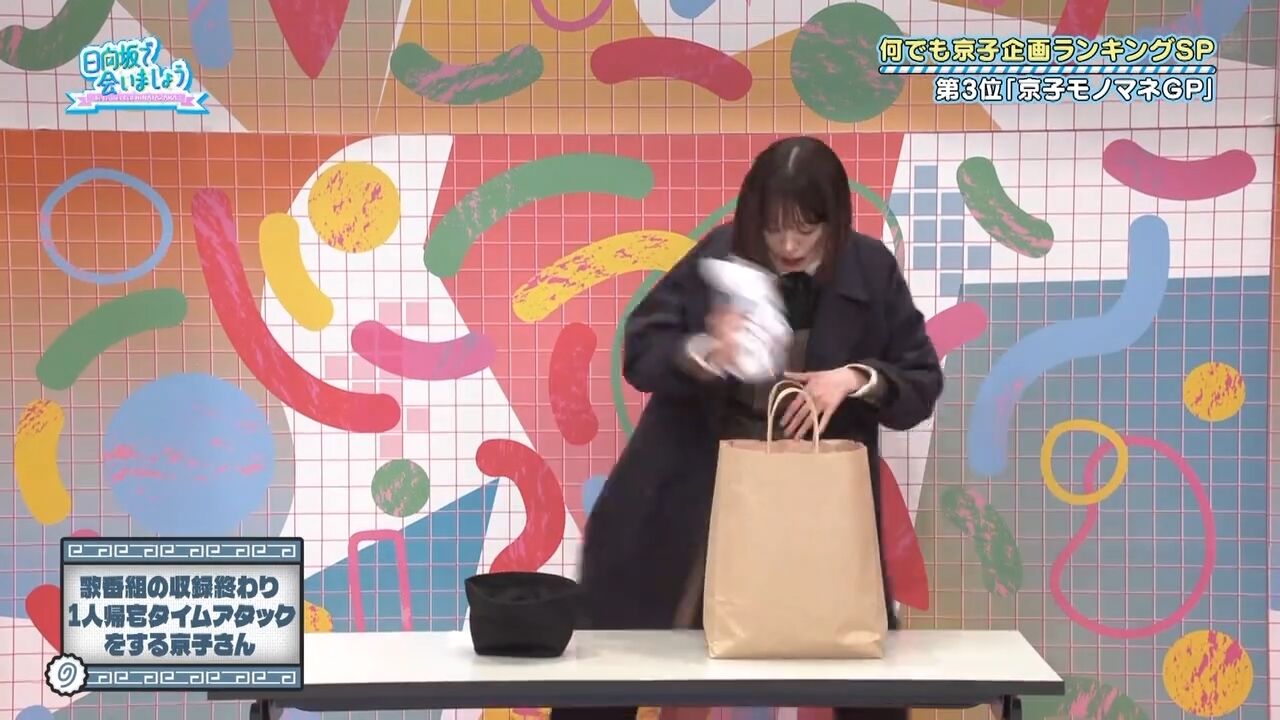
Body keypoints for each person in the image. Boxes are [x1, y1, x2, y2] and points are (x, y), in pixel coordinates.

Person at [553, 136, 944, 720]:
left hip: (815, 508)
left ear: (835, 220)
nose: (788, 246)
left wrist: (855, 378)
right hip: (693, 492)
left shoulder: (870, 268)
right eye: (773, 228)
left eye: (806, 230)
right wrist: (707, 349)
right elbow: (641, 351)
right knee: (618, 660)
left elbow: (921, 381)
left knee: (858, 666)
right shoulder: (720, 254)